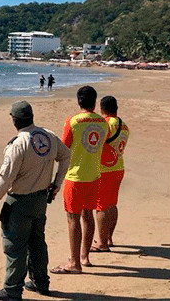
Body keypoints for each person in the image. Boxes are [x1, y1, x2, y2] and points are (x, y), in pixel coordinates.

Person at [0, 101, 70, 301]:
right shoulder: (48, 136)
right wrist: (56, 183)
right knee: (37, 242)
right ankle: (41, 282)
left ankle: (12, 289)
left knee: (15, 245)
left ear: (14, 120)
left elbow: (6, 178)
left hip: (19, 201)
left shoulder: (18, 144)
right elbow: (66, 155)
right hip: (40, 199)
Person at [51, 86, 108, 275]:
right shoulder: (103, 122)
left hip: (75, 176)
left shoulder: (73, 121)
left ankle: (74, 262)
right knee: (88, 214)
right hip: (94, 175)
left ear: (79, 101)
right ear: (94, 101)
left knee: (72, 218)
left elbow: (63, 148)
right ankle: (84, 257)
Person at [92, 96, 129, 252]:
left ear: (102, 109)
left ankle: (102, 243)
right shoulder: (124, 125)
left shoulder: (106, 124)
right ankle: (109, 238)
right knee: (112, 204)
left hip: (104, 169)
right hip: (118, 167)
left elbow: (97, 142)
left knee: (101, 206)